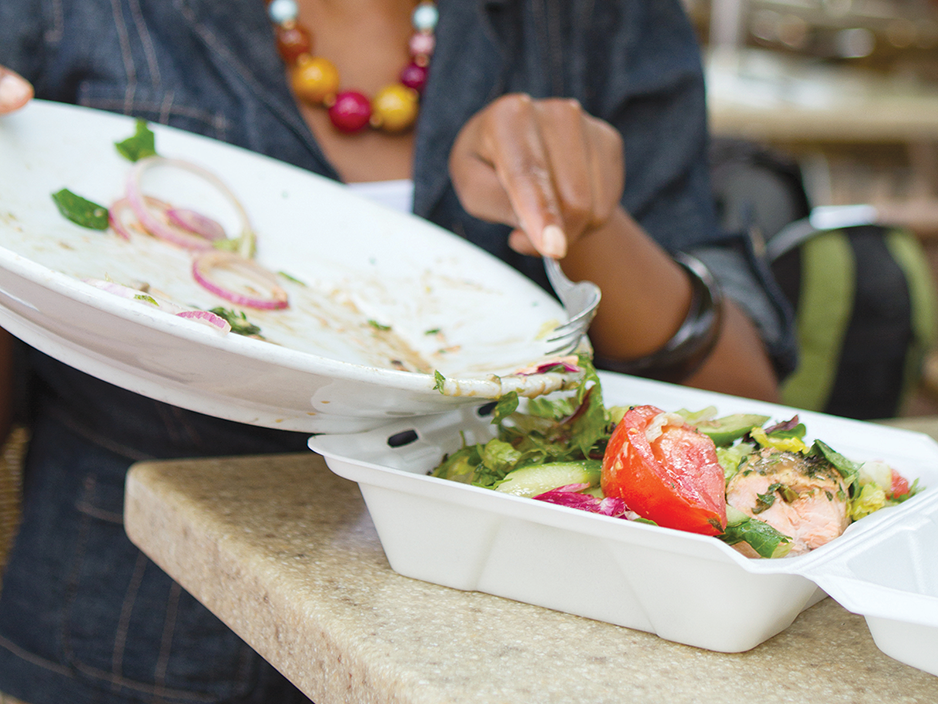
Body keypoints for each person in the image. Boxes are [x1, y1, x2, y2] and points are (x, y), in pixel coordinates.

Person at [0, 0, 796, 701]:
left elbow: (746, 388)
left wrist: (588, 224)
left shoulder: (599, 17)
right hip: (132, 633)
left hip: (517, 649)